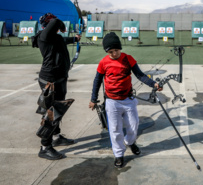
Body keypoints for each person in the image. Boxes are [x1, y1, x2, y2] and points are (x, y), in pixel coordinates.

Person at [89, 32, 162, 168]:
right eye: (110, 52)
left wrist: (154, 84)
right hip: (112, 102)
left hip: (128, 100)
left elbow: (140, 75)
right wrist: (93, 99)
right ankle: (118, 154)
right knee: (115, 129)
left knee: (133, 125)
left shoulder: (128, 59)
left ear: (120, 48)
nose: (114, 54)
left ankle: (130, 142)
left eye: (116, 50)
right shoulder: (104, 62)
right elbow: (97, 80)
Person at [35, 13, 81, 160]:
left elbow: (62, 40)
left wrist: (74, 39)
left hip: (59, 79)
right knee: (51, 113)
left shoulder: (55, 38)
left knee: (58, 110)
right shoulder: (44, 36)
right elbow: (55, 22)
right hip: (50, 80)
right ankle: (45, 146)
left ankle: (56, 136)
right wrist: (60, 24)